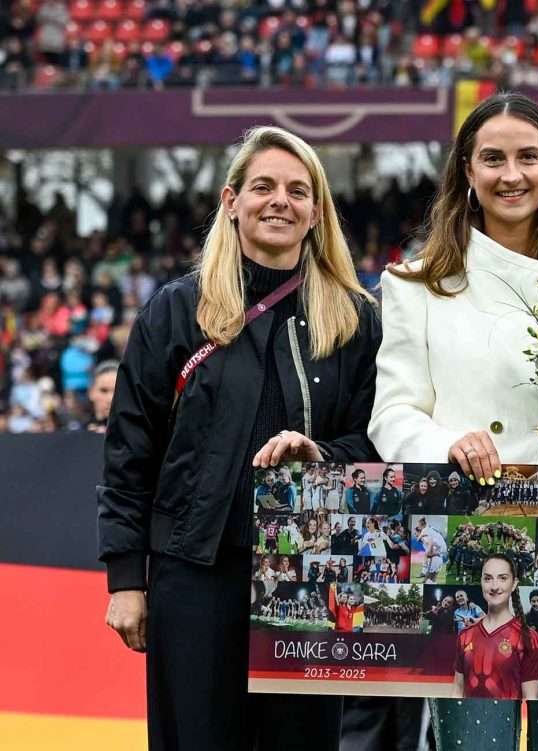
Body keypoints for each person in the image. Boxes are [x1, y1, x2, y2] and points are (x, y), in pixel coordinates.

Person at [97, 126, 381, 751]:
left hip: (312, 576)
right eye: (263, 186)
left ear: (316, 212)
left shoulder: (358, 320)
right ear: (231, 201)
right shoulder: (175, 311)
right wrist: (126, 579)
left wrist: (323, 455)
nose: (280, 200)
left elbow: (379, 441)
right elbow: (129, 452)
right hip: (194, 574)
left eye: (298, 190)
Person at [368, 92, 538, 749]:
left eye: (528, 157)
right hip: (469, 536)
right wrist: (448, 441)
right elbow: (392, 411)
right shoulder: (414, 284)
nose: (512, 174)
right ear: (467, 173)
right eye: (494, 158)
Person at [453, 553, 538, 700]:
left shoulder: (528, 638)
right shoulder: (465, 635)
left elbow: (530, 701)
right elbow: (457, 690)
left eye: (502, 578)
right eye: (488, 578)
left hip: (507, 723)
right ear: (481, 582)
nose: (495, 586)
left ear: (514, 584)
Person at [86, 359, 118, 433]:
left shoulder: (138, 435)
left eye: (117, 391)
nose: (110, 398)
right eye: (104, 391)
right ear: (91, 392)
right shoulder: (76, 432)